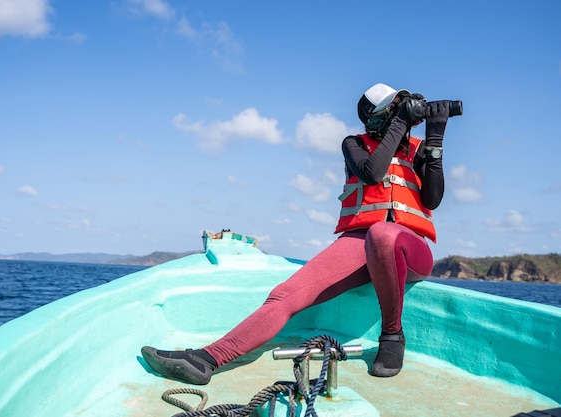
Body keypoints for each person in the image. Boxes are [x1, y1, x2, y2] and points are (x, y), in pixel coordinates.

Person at [141, 82, 450, 384]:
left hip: (407, 249)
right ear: (379, 118)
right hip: (358, 243)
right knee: (284, 295)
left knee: (383, 234)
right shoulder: (353, 145)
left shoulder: (418, 150)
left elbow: (432, 199)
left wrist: (435, 137)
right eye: (396, 111)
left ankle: (392, 335)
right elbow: (371, 172)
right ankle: (207, 359)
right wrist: (399, 123)